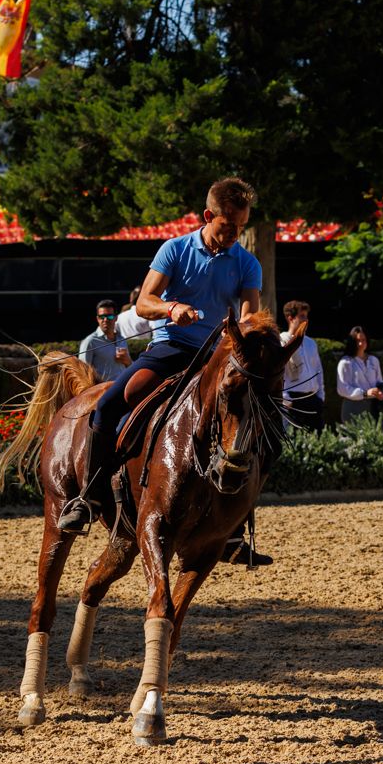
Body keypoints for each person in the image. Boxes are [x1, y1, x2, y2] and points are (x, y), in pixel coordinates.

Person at [58, 176, 262, 534]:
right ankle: (89, 496)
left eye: (241, 227)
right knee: (107, 407)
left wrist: (249, 332)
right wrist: (172, 309)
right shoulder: (174, 250)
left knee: (256, 422)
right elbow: (144, 302)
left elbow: (248, 317)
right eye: (228, 226)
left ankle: (235, 526)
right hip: (170, 349)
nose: (235, 235)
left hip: (214, 359)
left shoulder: (247, 263)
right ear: (207, 216)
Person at [280, 299, 324, 431]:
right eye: (302, 316)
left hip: (313, 399)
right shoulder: (282, 342)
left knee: (318, 442)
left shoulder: (311, 343)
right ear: (290, 318)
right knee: (295, 443)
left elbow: (318, 371)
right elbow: (278, 374)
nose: (306, 320)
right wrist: (286, 399)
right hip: (293, 401)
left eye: (306, 316)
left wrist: (321, 398)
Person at [336, 326, 383, 421]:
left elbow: (380, 381)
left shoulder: (374, 360)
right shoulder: (346, 362)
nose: (360, 343)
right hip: (353, 408)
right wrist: (364, 394)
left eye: (363, 340)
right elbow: (342, 389)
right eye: (357, 341)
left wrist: (381, 392)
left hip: (373, 407)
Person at [77, 298, 132, 383]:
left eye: (109, 316)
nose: (105, 320)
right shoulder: (90, 342)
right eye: (102, 317)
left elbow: (130, 366)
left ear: (116, 318)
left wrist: (128, 361)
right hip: (103, 392)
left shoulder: (122, 339)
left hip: (123, 388)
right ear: (97, 319)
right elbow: (82, 373)